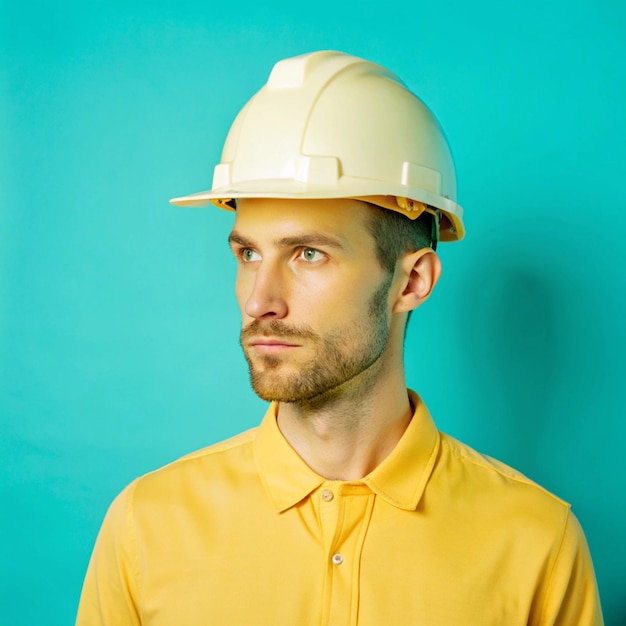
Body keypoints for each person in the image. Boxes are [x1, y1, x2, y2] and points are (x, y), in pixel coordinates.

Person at [76, 50, 603, 625]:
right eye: (248, 253)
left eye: (309, 254)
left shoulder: (536, 543)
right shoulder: (146, 526)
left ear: (413, 281)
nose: (259, 301)